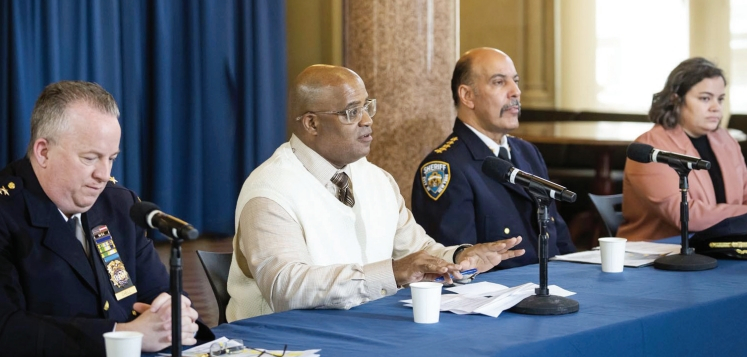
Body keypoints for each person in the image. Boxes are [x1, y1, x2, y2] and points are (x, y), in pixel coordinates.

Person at [226, 64, 525, 321]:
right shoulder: (270, 191)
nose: (367, 120)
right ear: (312, 123)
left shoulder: (376, 178)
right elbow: (286, 289)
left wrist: (461, 257)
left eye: (367, 107)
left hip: (366, 330)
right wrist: (392, 273)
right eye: (351, 112)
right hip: (286, 343)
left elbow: (416, 252)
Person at [0, 81, 211, 356]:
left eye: (111, 158)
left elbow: (158, 292)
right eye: (90, 158)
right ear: (43, 152)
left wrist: (174, 314)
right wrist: (126, 335)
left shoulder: (120, 205)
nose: (103, 174)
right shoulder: (7, 213)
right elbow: (8, 329)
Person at [411, 47, 575, 269]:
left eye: (515, 81)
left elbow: (559, 239)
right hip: (496, 298)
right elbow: (455, 266)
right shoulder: (446, 168)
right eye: (499, 82)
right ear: (467, 96)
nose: (515, 91)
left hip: (550, 289)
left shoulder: (527, 152)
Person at [618, 57, 747, 241]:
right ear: (676, 99)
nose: (716, 107)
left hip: (721, 248)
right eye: (705, 98)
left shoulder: (726, 141)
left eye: (720, 99)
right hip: (658, 256)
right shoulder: (651, 147)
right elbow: (686, 215)